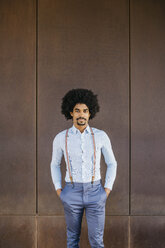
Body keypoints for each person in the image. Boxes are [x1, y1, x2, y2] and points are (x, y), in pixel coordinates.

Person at [50, 88, 117, 248]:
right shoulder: (61, 138)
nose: (81, 114)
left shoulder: (101, 136)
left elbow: (112, 163)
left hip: (96, 192)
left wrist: (106, 190)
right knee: (72, 240)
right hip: (71, 192)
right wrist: (60, 190)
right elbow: (54, 164)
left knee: (97, 241)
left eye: (85, 111)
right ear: (71, 112)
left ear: (90, 113)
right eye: (77, 111)